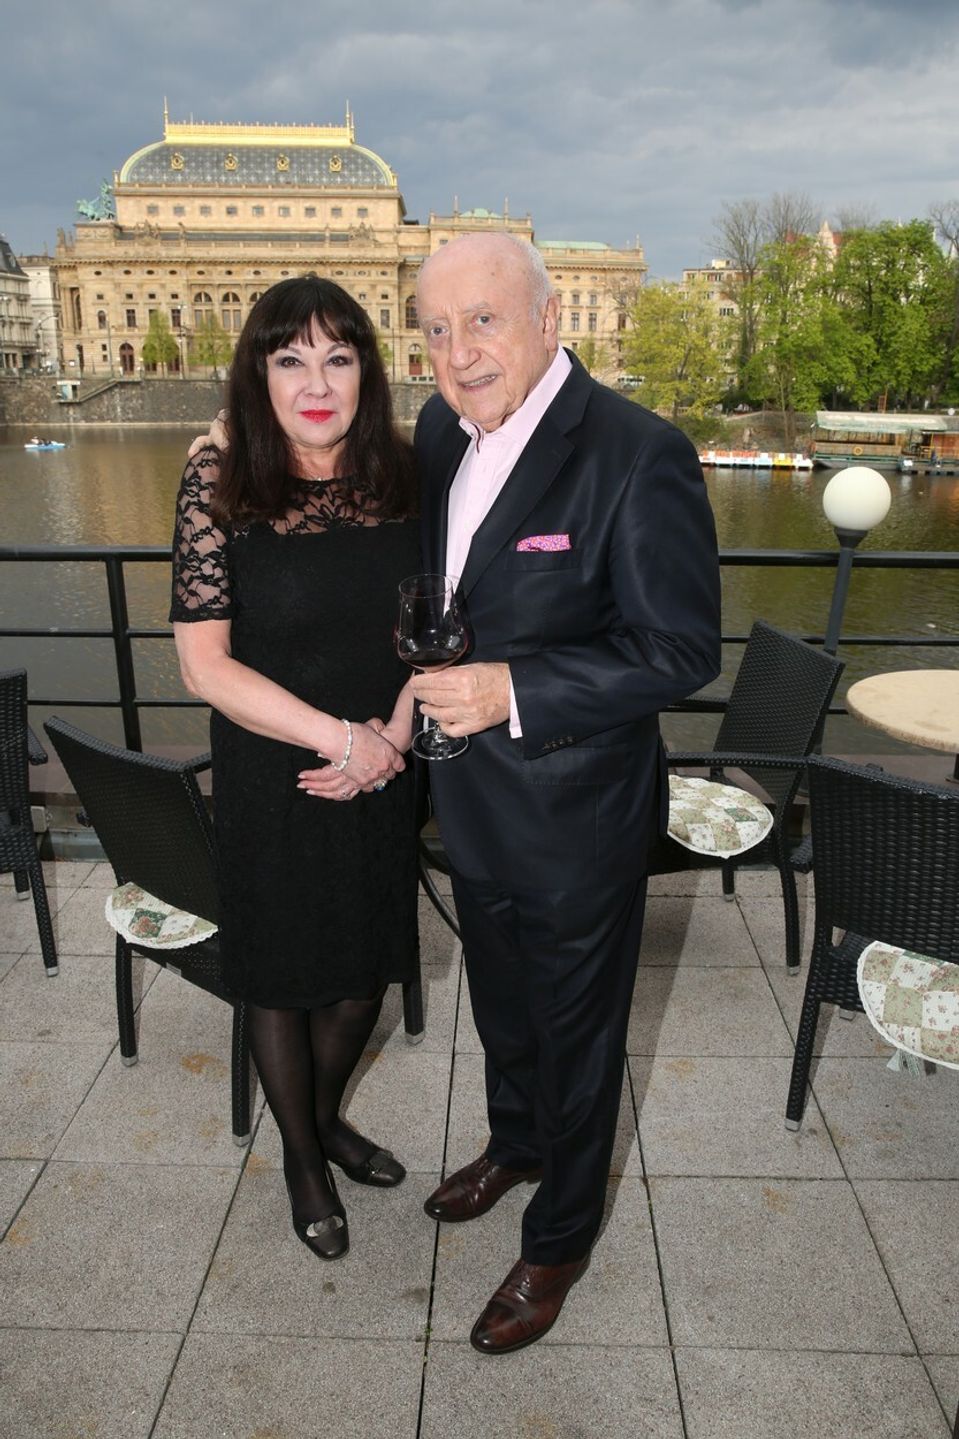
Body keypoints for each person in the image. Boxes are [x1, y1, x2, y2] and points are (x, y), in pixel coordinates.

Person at [402, 232, 721, 1352]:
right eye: (436, 330)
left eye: (482, 320)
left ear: (547, 320)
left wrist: (513, 688)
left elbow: (680, 650)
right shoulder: (436, 428)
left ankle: (559, 1238)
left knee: (579, 1035)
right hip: (469, 797)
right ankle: (516, 1143)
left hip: (579, 815)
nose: (458, 352)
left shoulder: (638, 452)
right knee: (501, 1003)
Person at [171, 276, 419, 1262]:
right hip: (276, 771)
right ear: (257, 374)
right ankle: (306, 1158)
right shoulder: (219, 480)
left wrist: (391, 737)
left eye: (337, 357)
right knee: (279, 978)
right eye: (290, 359)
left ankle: (319, 1119)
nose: (315, 383)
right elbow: (204, 665)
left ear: (366, 370)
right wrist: (340, 740)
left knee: (361, 979)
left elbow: (436, 626)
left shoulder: (405, 474)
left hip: (384, 768)